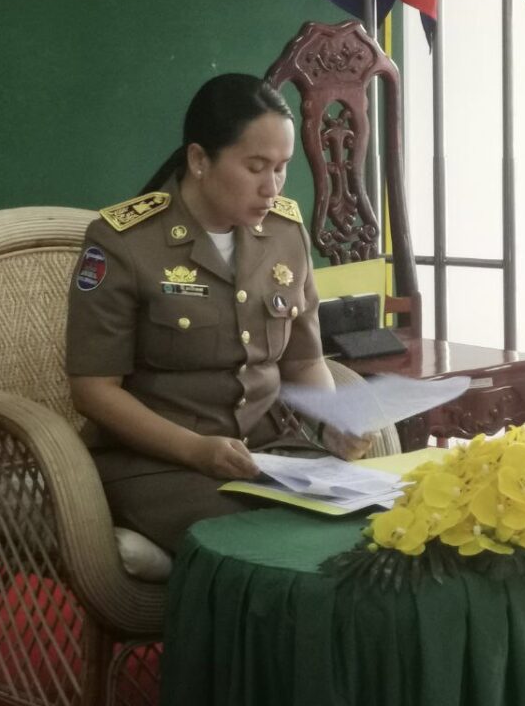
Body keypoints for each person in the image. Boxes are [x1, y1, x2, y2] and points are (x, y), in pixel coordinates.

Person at [66, 73, 370, 552]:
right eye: (256, 167)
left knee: (369, 524)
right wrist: (195, 450)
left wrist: (333, 420)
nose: (272, 187)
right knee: (263, 540)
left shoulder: (285, 233)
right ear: (199, 160)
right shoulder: (124, 242)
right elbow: (93, 390)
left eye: (282, 168)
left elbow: (304, 361)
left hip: (270, 455)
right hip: (159, 465)